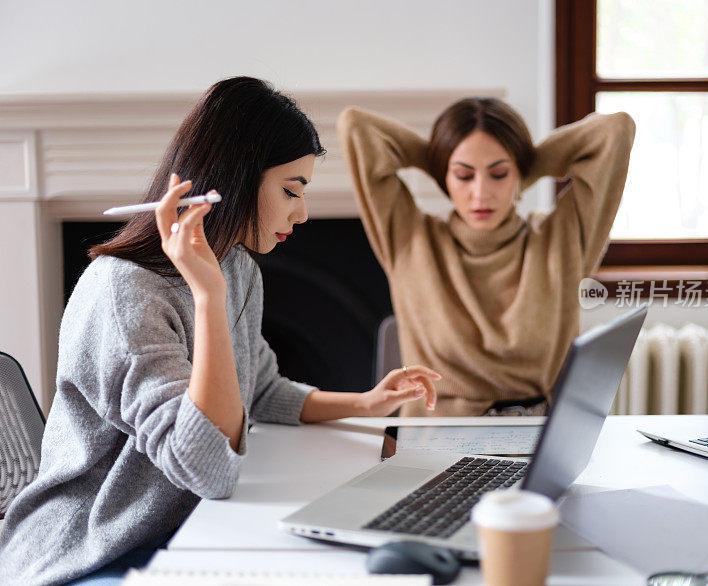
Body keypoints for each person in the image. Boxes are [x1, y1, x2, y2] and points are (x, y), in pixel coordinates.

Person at [0, 77, 439, 586]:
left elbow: (260, 388)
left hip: (179, 530)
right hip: (90, 554)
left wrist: (364, 403)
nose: (302, 211)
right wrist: (207, 297)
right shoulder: (125, 293)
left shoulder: (236, 268)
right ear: (232, 181)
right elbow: (207, 468)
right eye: (290, 190)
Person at [337, 98, 635, 417]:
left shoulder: (561, 242)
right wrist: (438, 158)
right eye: (464, 175)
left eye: (499, 173)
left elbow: (615, 131)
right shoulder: (410, 238)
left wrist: (528, 164)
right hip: (436, 441)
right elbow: (356, 127)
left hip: (534, 438)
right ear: (445, 178)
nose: (481, 193)